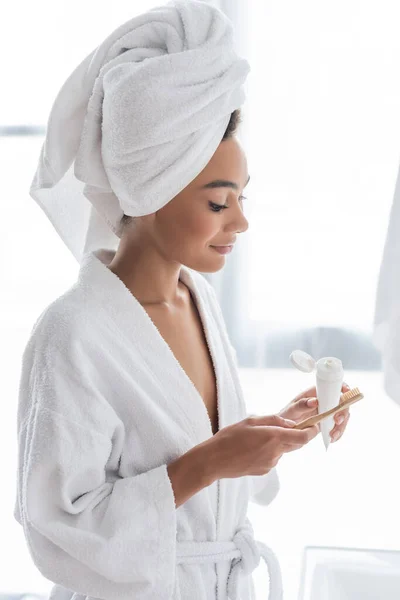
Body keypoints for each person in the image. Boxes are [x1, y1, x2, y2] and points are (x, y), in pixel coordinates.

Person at [13, 2, 350, 599]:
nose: (241, 222)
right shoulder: (73, 334)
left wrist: (274, 431)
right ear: (150, 192)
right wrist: (213, 461)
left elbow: (202, 463)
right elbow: (57, 525)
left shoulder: (198, 299)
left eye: (243, 198)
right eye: (219, 204)